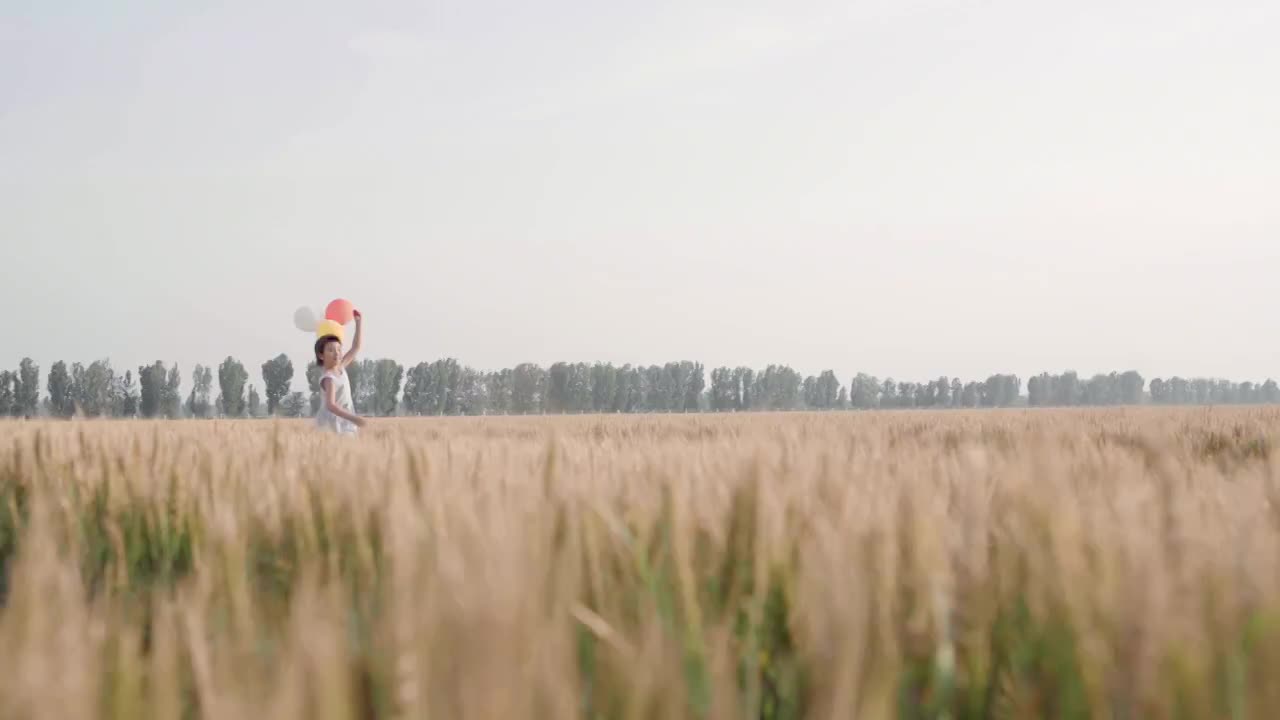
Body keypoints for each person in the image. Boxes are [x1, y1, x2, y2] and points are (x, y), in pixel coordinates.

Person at [314, 309, 366, 434]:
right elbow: (331, 405)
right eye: (331, 350)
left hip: (345, 419)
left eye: (338, 349)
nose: (336, 352)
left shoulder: (341, 367)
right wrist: (353, 418)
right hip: (333, 423)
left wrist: (358, 323)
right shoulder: (329, 378)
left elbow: (355, 347)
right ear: (321, 355)